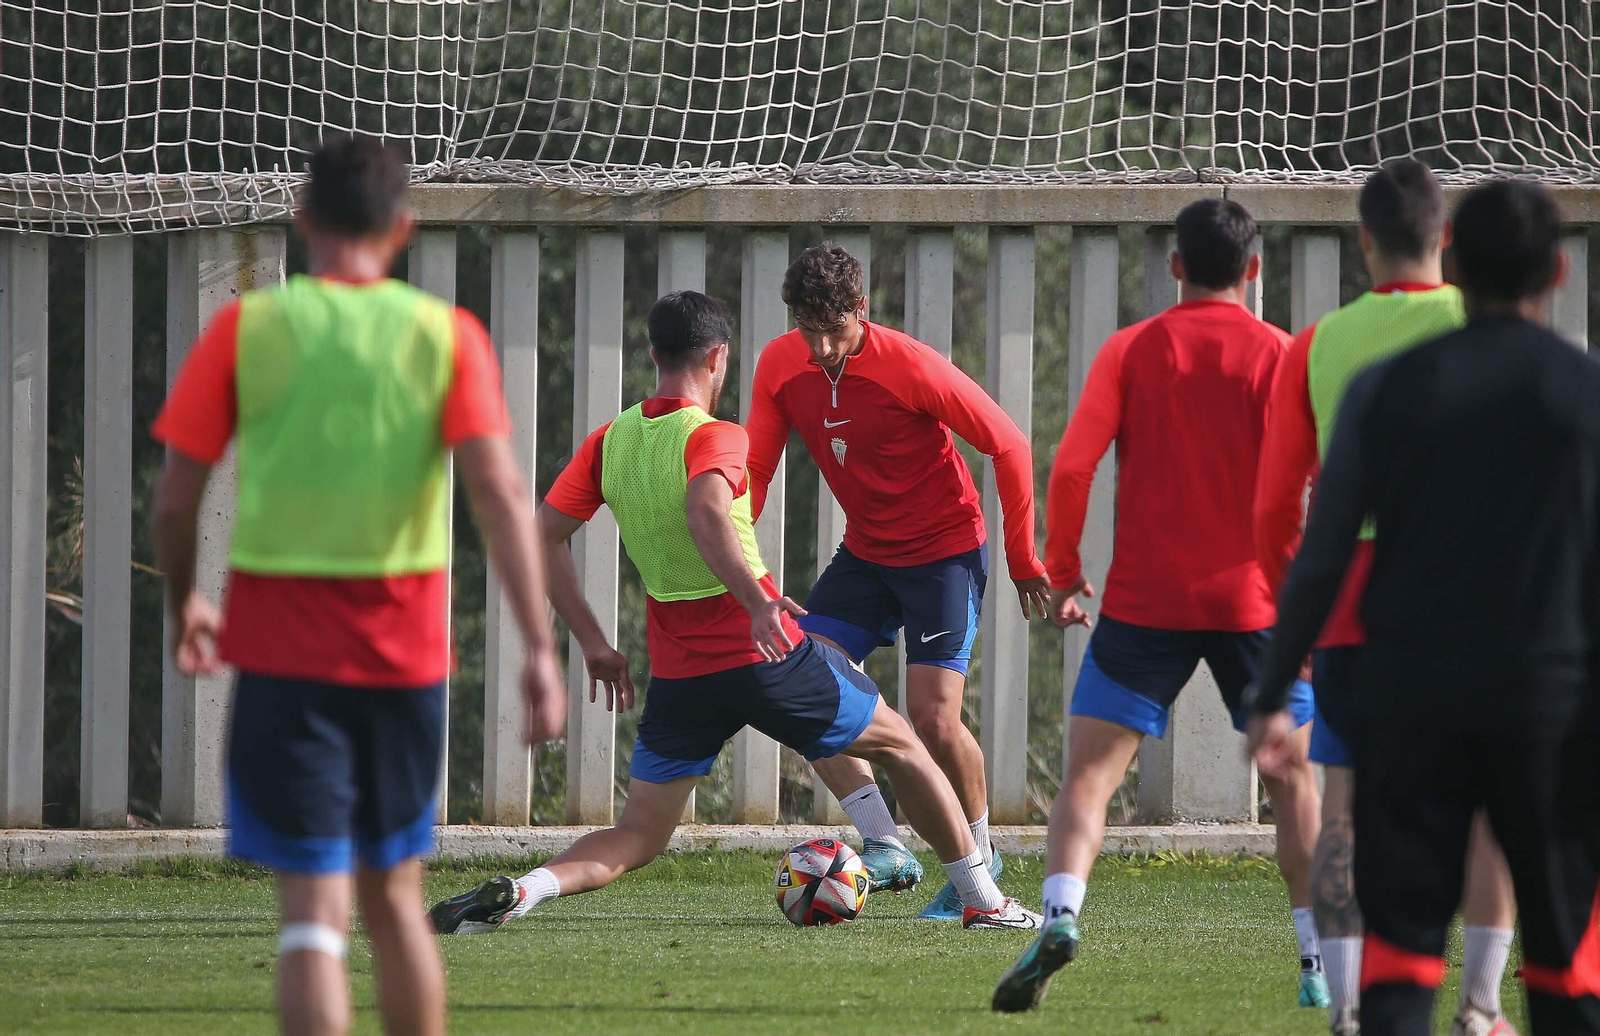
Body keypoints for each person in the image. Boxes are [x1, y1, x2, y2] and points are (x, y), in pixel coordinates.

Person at [428, 291, 1041, 933]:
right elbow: (706, 512)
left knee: (637, 834)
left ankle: (525, 889)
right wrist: (756, 602)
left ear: (652, 354)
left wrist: (594, 644)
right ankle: (985, 900)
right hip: (766, 658)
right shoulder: (717, 436)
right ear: (719, 357)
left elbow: (541, 537)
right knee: (904, 745)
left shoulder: (610, 443)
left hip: (681, 678)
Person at [151, 135, 567, 1036]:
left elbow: (175, 501)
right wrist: (540, 648)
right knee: (393, 901)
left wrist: (185, 600)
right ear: (403, 228)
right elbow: (500, 496)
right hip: (402, 661)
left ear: (303, 222)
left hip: (281, 657)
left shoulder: (248, 329)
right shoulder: (443, 335)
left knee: (311, 914)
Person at [1246, 179, 1600, 1036]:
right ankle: (1486, 1006)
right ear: (1556, 271)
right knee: (1565, 962)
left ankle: (1371, 1008)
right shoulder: (1581, 389)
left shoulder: (1382, 387)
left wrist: (1271, 688)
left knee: (1401, 952)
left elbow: (1320, 545)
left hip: (1409, 688)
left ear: (1458, 262)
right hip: (1547, 698)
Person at [993, 197, 1324, 1013]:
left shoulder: (1132, 349)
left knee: (1089, 779)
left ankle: (1062, 916)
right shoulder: (1283, 355)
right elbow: (1318, 482)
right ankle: (1316, 961)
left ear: (1175, 267)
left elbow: (1074, 467)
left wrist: (1065, 570)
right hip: (1258, 606)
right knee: (1294, 783)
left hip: (1146, 604)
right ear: (1254, 269)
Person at [744, 244, 1051, 915]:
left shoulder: (908, 365)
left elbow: (1009, 444)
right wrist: (736, 565)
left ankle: (981, 857)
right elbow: (755, 474)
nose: (822, 348)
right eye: (807, 330)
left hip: (944, 553)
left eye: (835, 330)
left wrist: (1023, 557)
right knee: (799, 688)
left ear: (862, 309)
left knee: (934, 721)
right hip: (868, 554)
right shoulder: (778, 365)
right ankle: (886, 844)